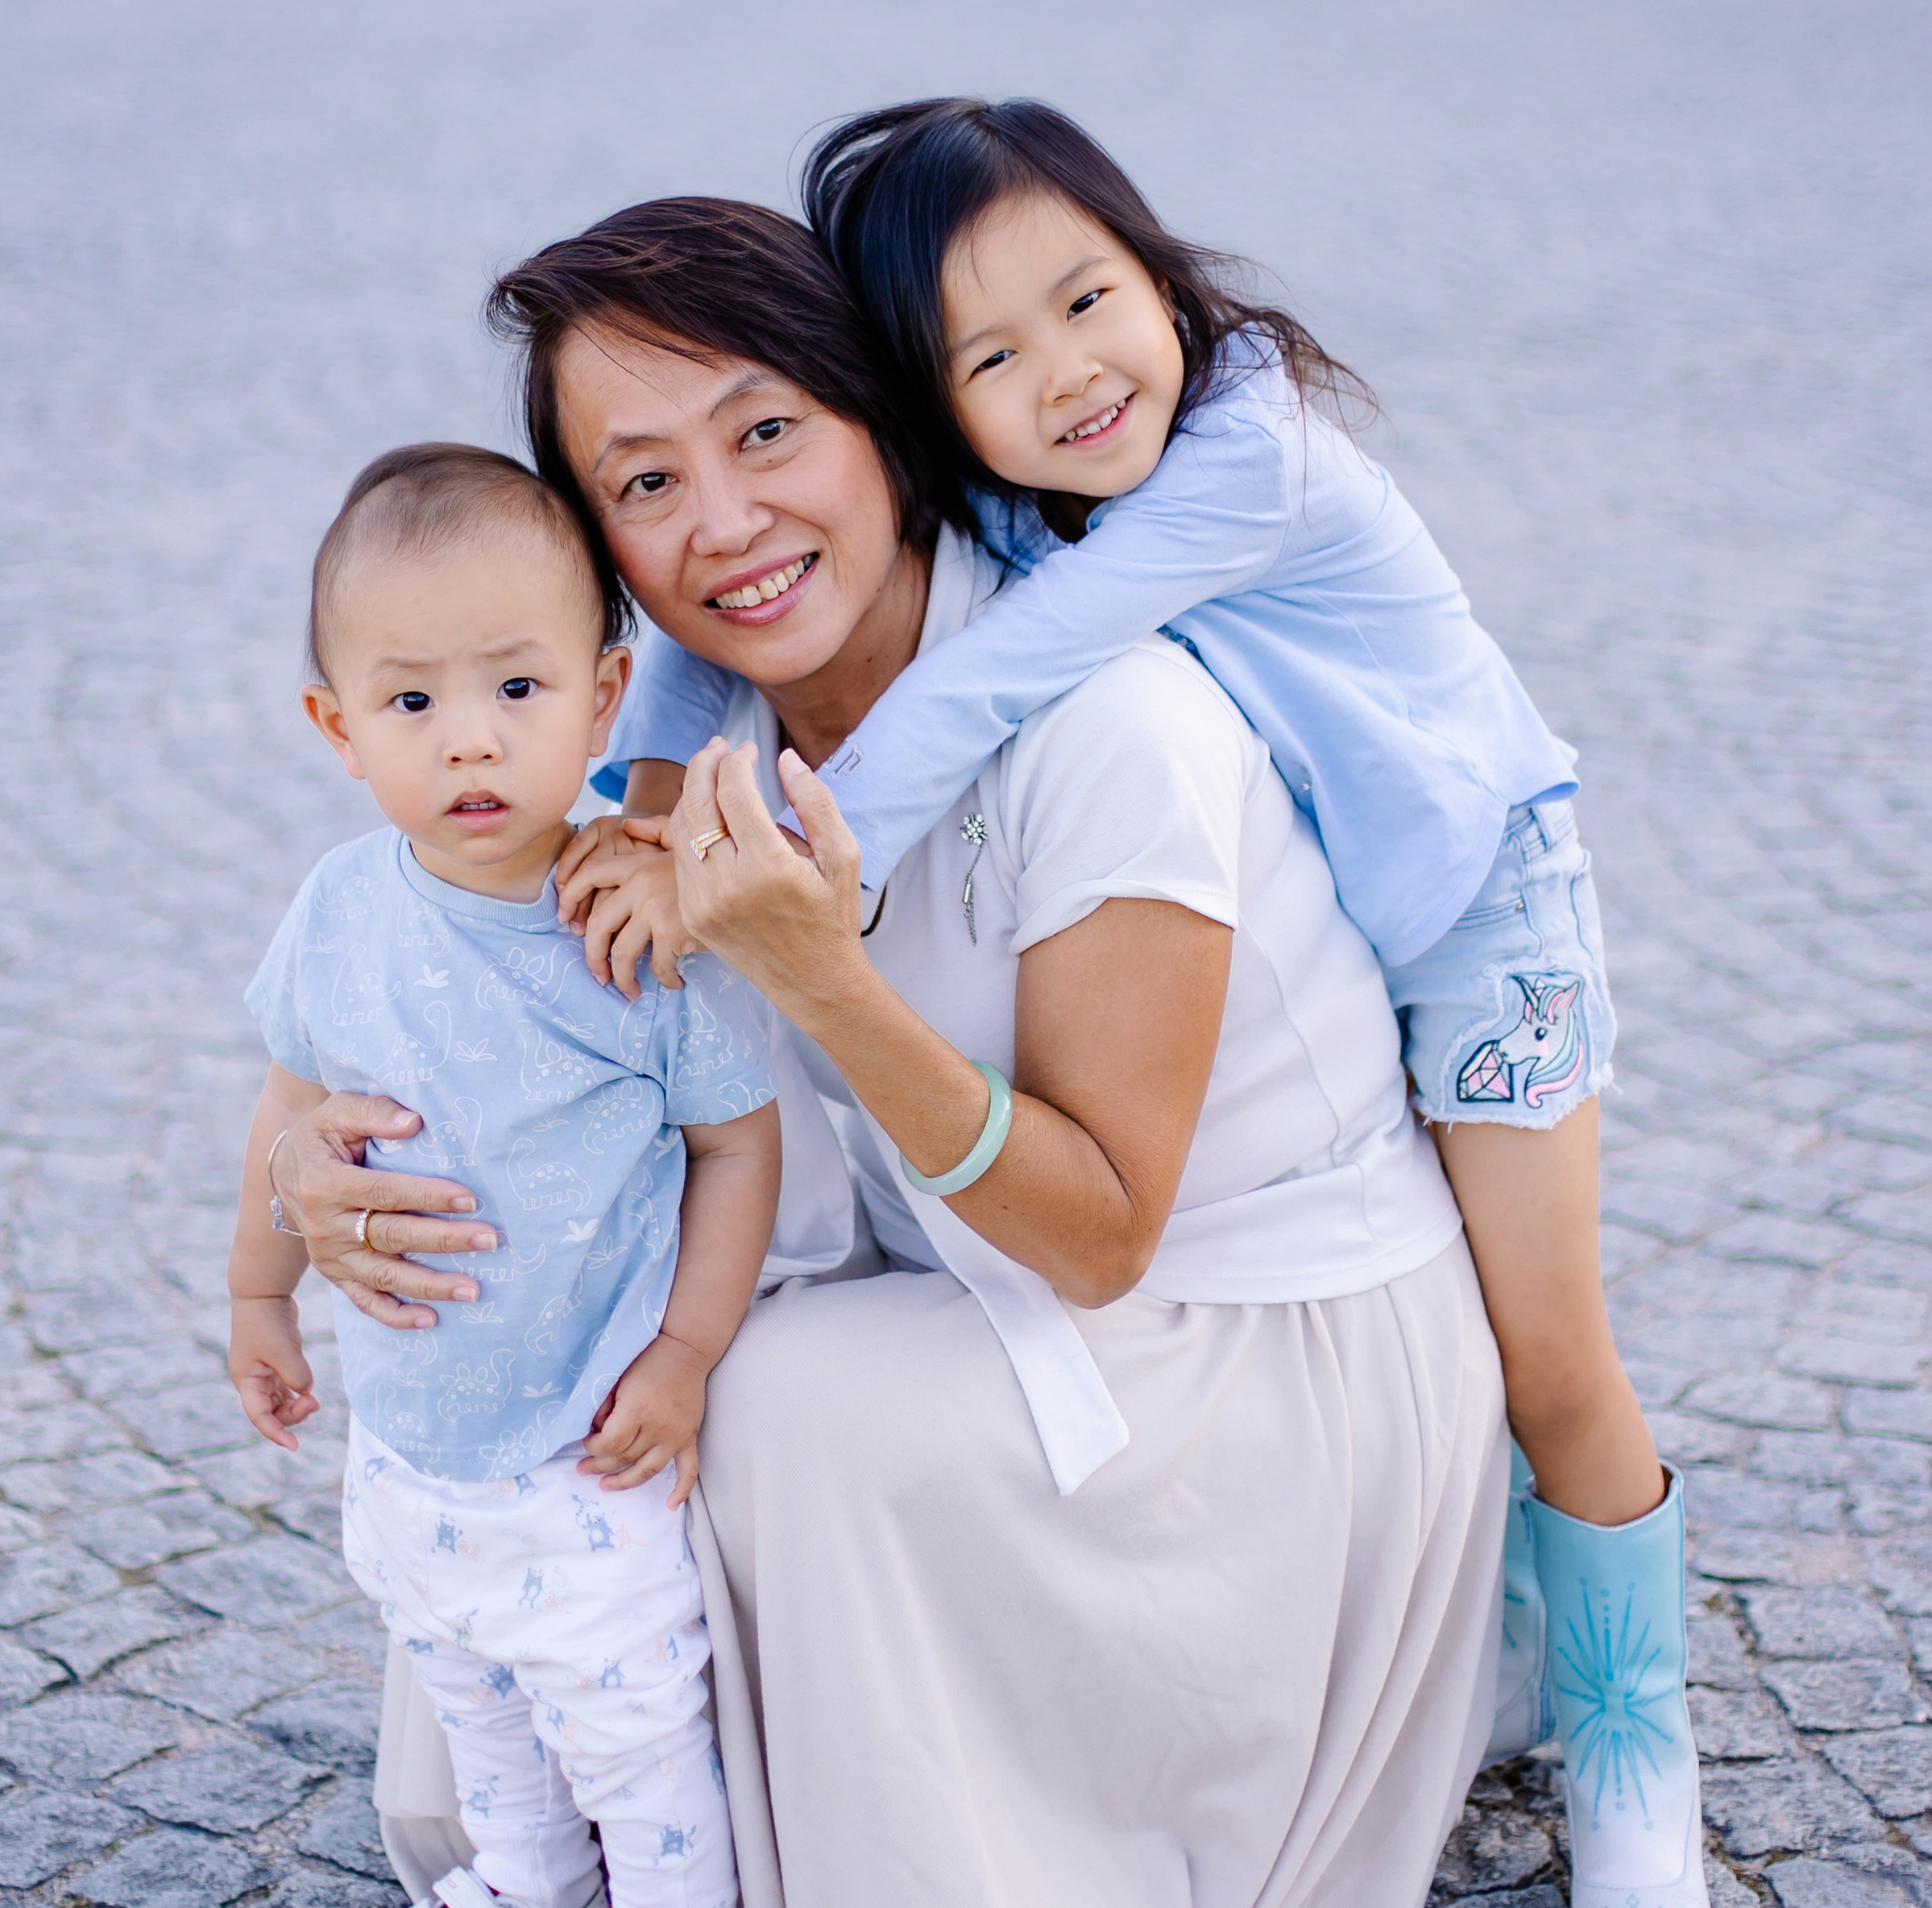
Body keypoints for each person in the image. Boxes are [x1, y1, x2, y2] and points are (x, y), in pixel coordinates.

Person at [272, 201, 1511, 1907]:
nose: (724, 523)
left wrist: (821, 975)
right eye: (640, 484)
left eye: (766, 430)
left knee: (768, 1411)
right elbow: (581, 1095)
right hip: (965, 1281)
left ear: (883, 419)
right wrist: (318, 1179)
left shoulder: (1114, 721)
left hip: (1243, 1352)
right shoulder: (683, 749)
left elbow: (1101, 1233)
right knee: (540, 1391)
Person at [602, 102, 1704, 1907]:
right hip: (1340, 887)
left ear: (1159, 267)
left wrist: (800, 876)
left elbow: (1004, 678)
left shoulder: (1233, 447)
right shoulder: (993, 485)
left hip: (1477, 910)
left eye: (1087, 295)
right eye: (988, 355)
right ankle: (1496, 1634)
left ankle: (1633, 1757)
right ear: (925, 402)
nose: (1066, 373)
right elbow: (686, 632)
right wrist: (627, 811)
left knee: (1549, 1353)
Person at [225, 443, 782, 1908]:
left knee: (637, 1741)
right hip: (412, 1443)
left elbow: (738, 1139)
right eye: (413, 701)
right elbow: (291, 1094)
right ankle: (530, 1884)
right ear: (337, 727)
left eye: (516, 690)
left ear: (604, 697)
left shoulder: (623, 930)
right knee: (477, 1712)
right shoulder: (340, 909)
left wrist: (687, 1351)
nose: (469, 741)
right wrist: (256, 1291)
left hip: (584, 1445)